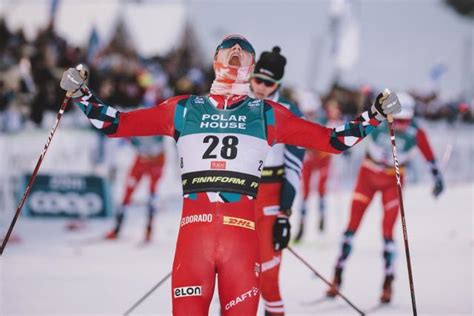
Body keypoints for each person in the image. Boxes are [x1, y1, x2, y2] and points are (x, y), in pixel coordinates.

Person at [60, 35, 401, 315]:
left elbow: (332, 141)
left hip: (242, 242)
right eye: (229, 49)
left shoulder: (266, 113)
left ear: (251, 68)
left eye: (244, 52)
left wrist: (374, 114)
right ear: (215, 61)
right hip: (194, 242)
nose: (236, 53)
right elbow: (117, 124)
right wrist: (81, 94)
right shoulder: (183, 108)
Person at [326, 92, 444, 304]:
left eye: (406, 121)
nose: (401, 125)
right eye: (397, 120)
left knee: (388, 231)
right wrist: (343, 146)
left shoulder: (416, 132)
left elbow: (429, 156)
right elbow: (354, 129)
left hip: (393, 180)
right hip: (368, 176)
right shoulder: (378, 123)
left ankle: (388, 281)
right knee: (352, 226)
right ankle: (337, 276)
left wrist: (437, 176)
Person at [250, 46, 305, 316]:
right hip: (239, 196)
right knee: (234, 280)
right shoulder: (235, 105)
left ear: (278, 84)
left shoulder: (289, 111)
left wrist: (285, 213)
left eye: (268, 83)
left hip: (271, 198)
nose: (260, 87)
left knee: (267, 282)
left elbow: (294, 166)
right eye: (257, 80)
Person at [294, 98, 343, 241]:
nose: (310, 115)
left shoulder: (323, 118)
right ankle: (301, 226)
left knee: (322, 189)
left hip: (323, 159)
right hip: (309, 159)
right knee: (306, 192)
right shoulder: (300, 119)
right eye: (307, 112)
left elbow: (333, 130)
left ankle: (322, 221)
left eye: (312, 112)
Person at [105, 135, 165, 242]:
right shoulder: (134, 124)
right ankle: (117, 228)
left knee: (152, 193)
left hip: (157, 160)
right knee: (128, 191)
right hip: (141, 159)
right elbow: (121, 139)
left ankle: (149, 230)